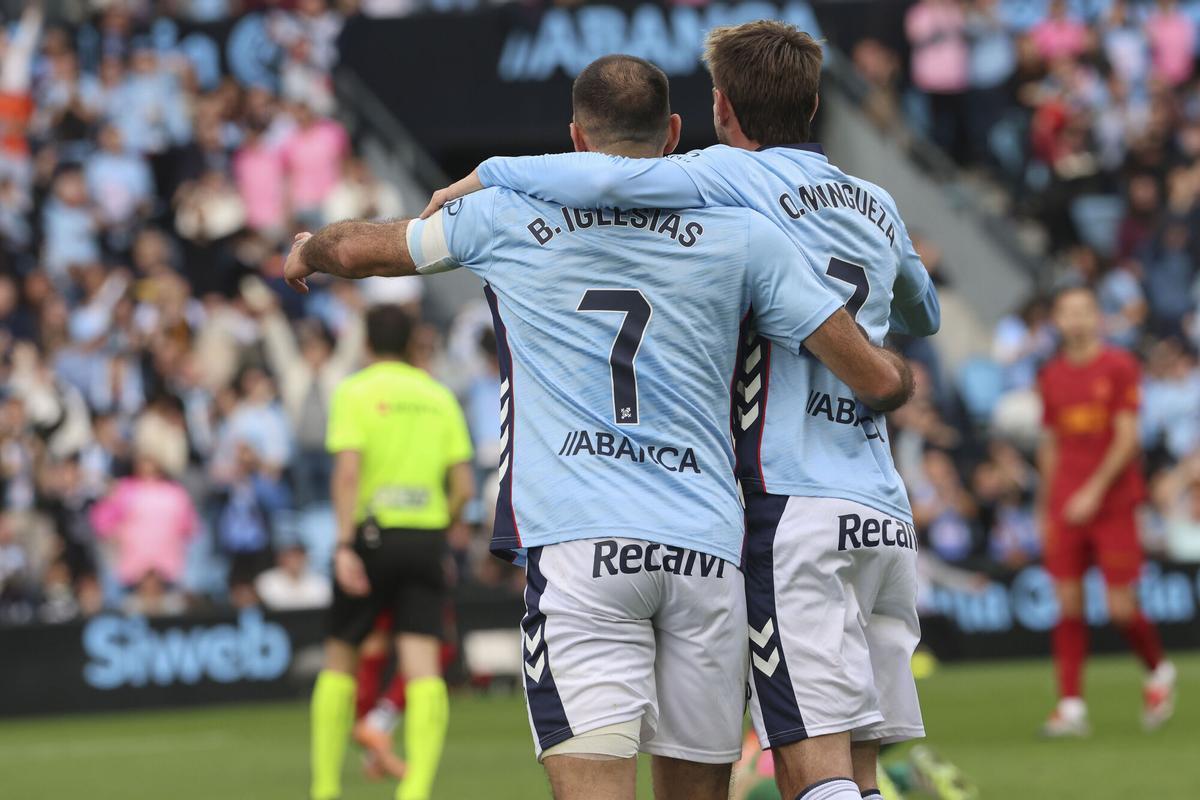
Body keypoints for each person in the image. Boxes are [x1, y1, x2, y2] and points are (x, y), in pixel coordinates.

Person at [286, 54, 913, 800]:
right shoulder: (744, 235)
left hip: (581, 547)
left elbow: (362, 250)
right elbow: (870, 370)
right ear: (675, 132)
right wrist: (899, 377)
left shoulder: (503, 217)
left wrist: (310, 249)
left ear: (575, 139)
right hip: (706, 551)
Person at [308, 303, 475, 800]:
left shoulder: (354, 391)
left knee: (340, 658)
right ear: (410, 345)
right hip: (424, 538)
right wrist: (440, 526)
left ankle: (324, 789)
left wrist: (342, 544)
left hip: (371, 536)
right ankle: (415, 789)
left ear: (365, 344)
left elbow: (347, 472)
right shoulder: (438, 396)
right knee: (423, 665)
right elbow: (463, 485)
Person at [1037, 284, 1176, 736]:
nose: (1075, 320)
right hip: (1066, 504)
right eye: (1067, 312)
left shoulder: (1119, 366)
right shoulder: (1051, 375)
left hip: (1112, 502)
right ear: (1057, 321)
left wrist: (1093, 492)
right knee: (1068, 604)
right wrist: (1046, 506)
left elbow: (1128, 438)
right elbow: (1051, 445)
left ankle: (1158, 670)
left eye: (1083, 311)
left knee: (1120, 609)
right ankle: (1071, 706)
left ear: (1097, 317)